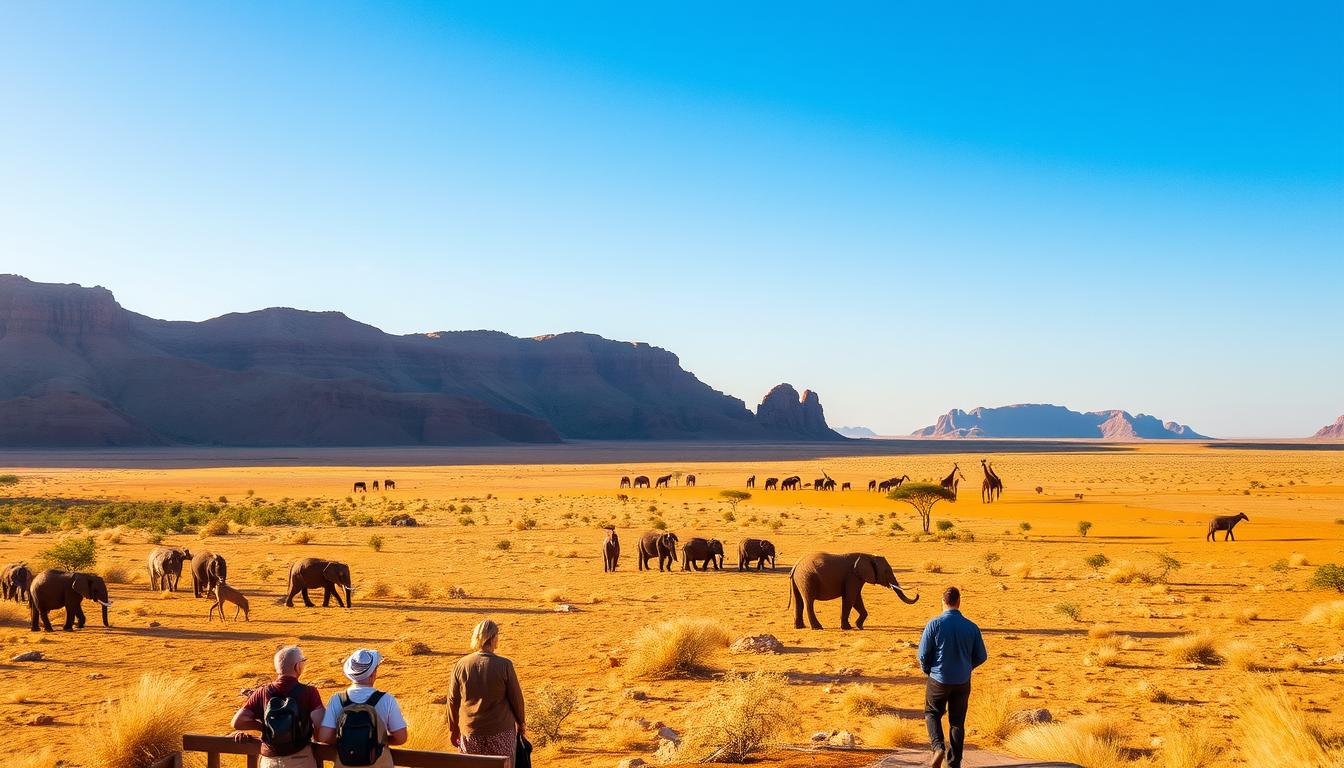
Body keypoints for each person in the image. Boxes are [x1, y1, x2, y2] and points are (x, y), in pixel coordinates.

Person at [918, 586, 987, 768]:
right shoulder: (972, 627)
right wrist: (967, 667)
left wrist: (929, 671)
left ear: (942, 601)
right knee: (957, 723)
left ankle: (938, 748)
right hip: (962, 682)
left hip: (938, 679)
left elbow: (923, 655)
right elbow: (982, 656)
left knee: (932, 713)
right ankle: (954, 763)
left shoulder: (934, 624)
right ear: (959, 602)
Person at [230, 645, 326, 768]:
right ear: (297, 666)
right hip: (300, 758)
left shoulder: (262, 692)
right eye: (303, 661)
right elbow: (320, 724)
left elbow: (237, 722)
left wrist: (265, 728)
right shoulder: (309, 692)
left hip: (269, 760)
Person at [317, 649, 408, 768]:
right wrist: (376, 740)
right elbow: (401, 738)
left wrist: (349, 739)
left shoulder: (337, 699)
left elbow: (324, 737)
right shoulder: (387, 699)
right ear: (373, 674)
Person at [448, 619, 526, 757]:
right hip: (501, 732)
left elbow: (453, 700)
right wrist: (521, 723)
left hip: (470, 733)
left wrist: (453, 728)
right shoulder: (505, 665)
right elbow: (516, 699)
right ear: (493, 637)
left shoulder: (461, 664)